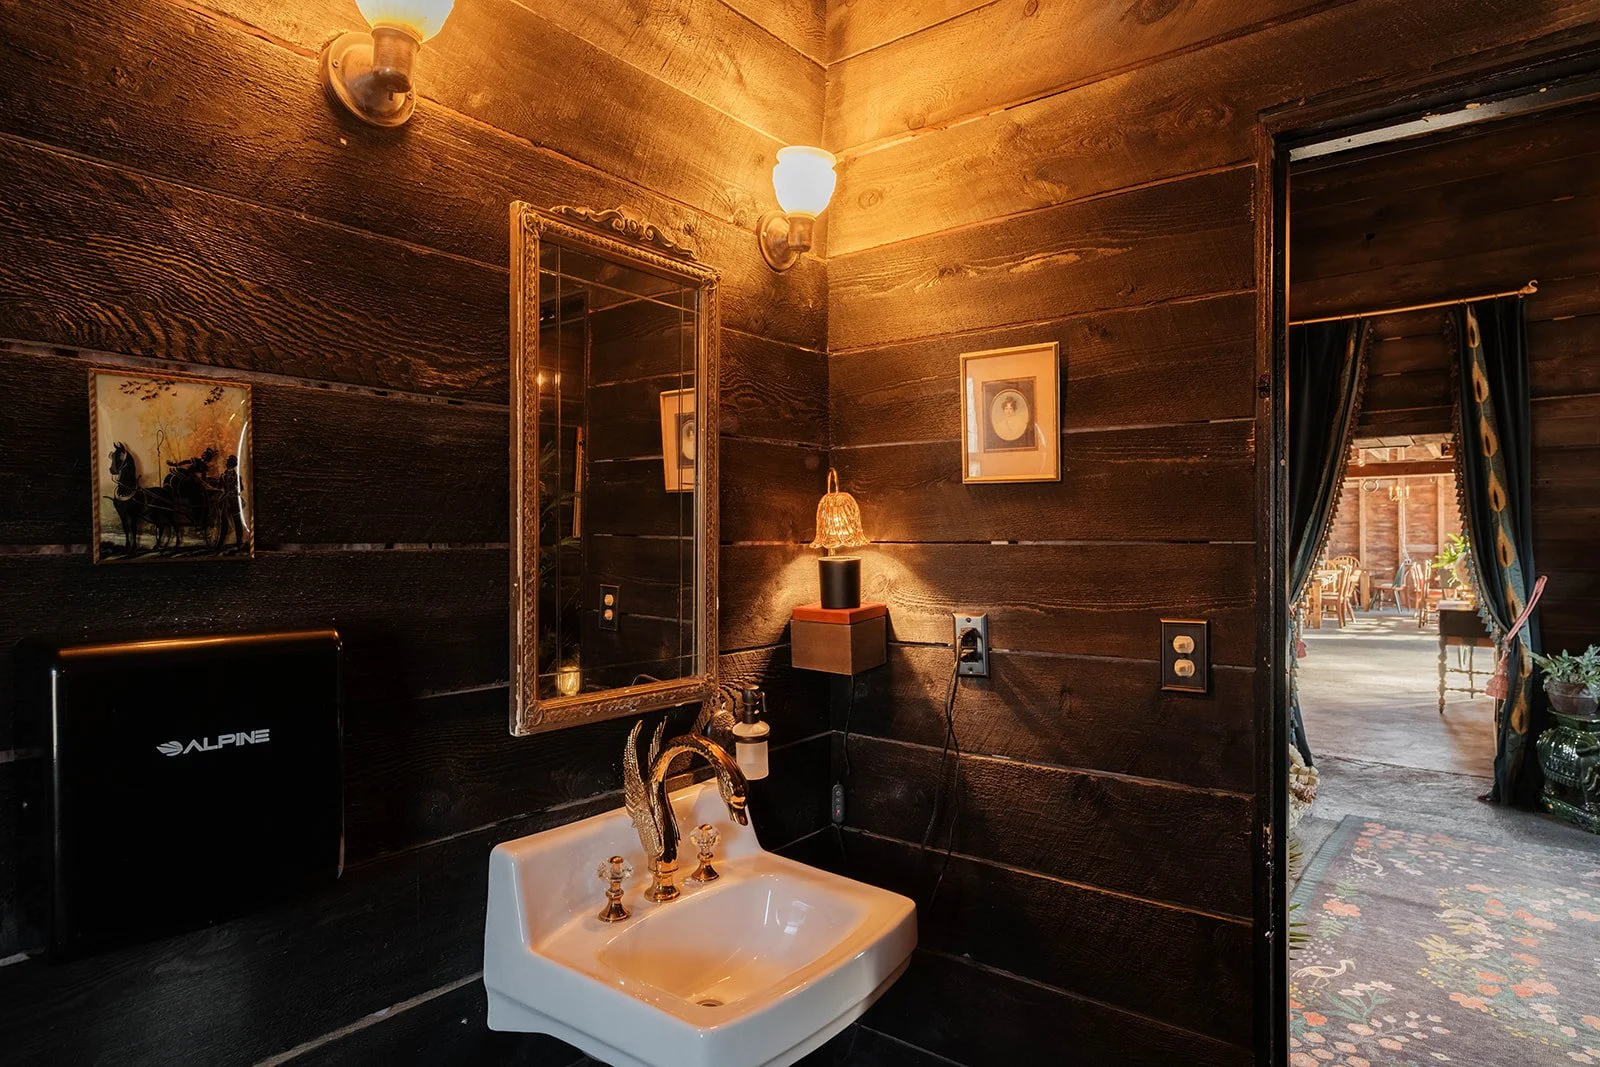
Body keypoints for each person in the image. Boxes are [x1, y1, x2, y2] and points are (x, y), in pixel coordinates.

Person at [216, 454, 246, 548]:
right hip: (226, 501)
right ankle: (220, 542)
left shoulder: (237, 477)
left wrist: (234, 491)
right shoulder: (223, 476)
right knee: (224, 522)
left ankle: (239, 541)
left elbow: (241, 488)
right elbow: (219, 487)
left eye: (229, 462)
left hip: (234, 501)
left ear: (232, 464)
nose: (227, 463)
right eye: (227, 462)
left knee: (237, 521)